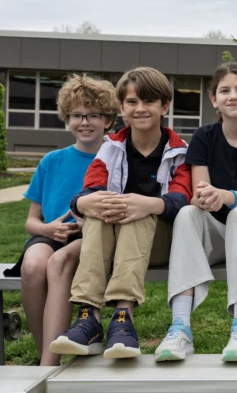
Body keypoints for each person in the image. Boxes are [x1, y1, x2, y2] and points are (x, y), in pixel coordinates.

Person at [50, 67, 191, 360]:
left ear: (164, 106)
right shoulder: (111, 149)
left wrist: (148, 204)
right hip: (115, 243)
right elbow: (87, 192)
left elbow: (182, 198)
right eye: (132, 102)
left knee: (134, 211)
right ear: (122, 109)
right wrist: (83, 205)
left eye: (149, 101)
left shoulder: (180, 151)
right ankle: (89, 317)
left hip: (164, 243)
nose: (140, 109)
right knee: (102, 208)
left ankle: (123, 317)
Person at [154, 63, 237, 363]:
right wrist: (205, 199)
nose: (233, 96)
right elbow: (201, 191)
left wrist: (226, 196)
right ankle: (180, 328)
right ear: (214, 99)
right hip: (219, 235)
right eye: (224, 91)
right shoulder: (204, 136)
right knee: (187, 213)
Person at [8, 74, 118, 393]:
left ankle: (45, 374)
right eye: (76, 115)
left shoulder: (117, 157)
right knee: (32, 264)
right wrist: (48, 228)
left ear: (108, 120)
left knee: (58, 265)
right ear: (66, 119)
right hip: (53, 234)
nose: (84, 122)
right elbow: (31, 221)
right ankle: (49, 360)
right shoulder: (52, 161)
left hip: (94, 237)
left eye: (93, 115)